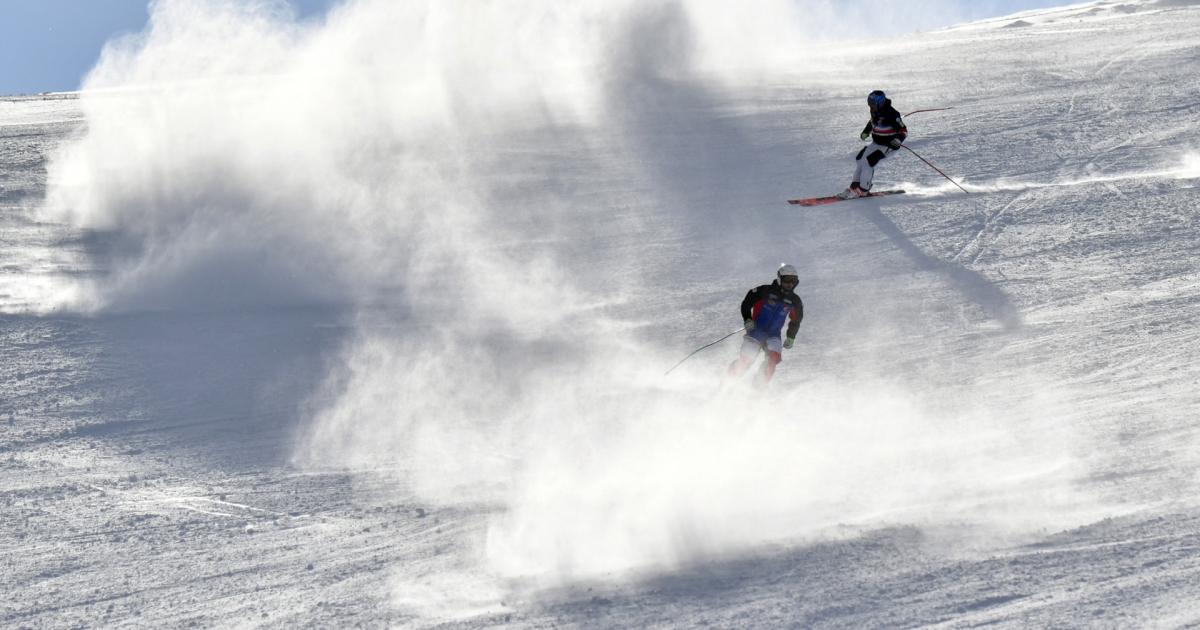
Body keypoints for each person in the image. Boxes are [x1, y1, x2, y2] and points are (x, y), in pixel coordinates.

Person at [728, 264, 804, 386]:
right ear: (779, 279)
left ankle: (758, 388)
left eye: (793, 281)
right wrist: (747, 319)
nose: (790, 284)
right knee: (747, 360)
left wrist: (791, 337)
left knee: (772, 360)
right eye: (787, 280)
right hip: (756, 332)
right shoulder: (765, 291)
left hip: (773, 335)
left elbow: (796, 320)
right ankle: (728, 381)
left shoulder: (795, 301)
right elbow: (747, 303)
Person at [838, 90, 907, 199]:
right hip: (876, 142)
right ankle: (854, 187)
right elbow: (872, 122)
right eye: (870, 104)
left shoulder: (892, 114)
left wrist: (898, 140)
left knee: (869, 162)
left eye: (873, 104)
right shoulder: (875, 110)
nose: (871, 107)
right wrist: (866, 131)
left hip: (888, 145)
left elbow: (903, 131)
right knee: (860, 160)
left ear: (880, 103)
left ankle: (863, 190)